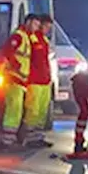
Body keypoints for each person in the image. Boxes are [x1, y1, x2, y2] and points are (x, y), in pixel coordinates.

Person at [0, 13, 46, 147]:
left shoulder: (26, 36)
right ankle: (8, 141)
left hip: (20, 80)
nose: (37, 28)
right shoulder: (19, 36)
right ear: (28, 22)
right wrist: (17, 66)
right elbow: (7, 52)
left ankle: (11, 140)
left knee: (17, 110)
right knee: (13, 110)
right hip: (13, 78)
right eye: (36, 24)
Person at [26, 15, 56, 146]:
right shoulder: (31, 38)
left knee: (42, 111)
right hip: (34, 80)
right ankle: (29, 137)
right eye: (46, 27)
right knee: (33, 110)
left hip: (44, 80)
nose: (47, 30)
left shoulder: (44, 40)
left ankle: (38, 137)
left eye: (49, 28)